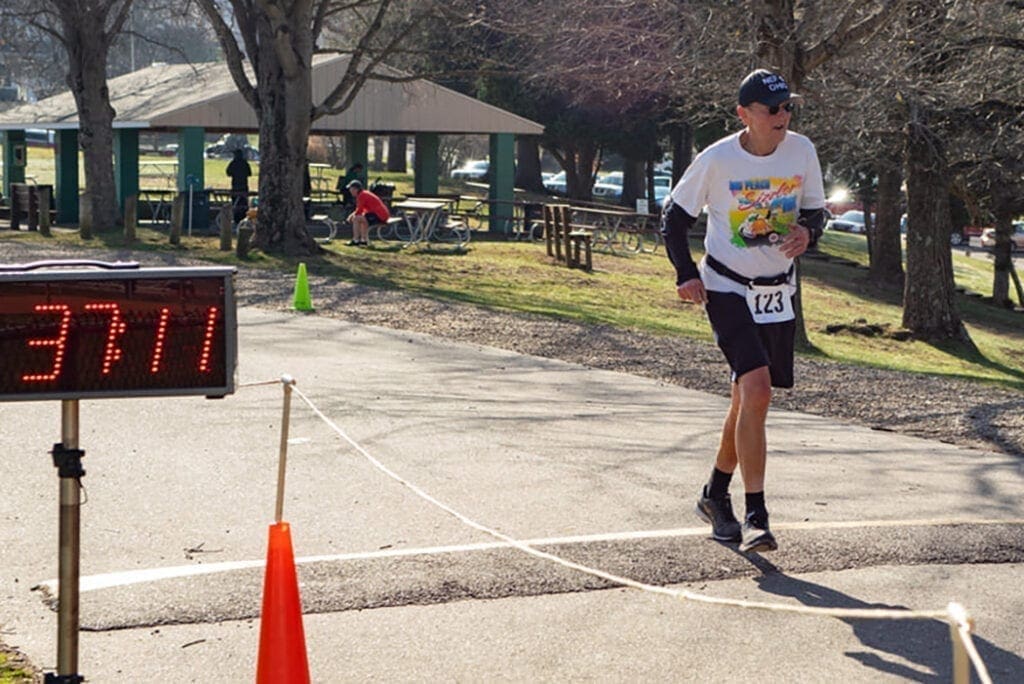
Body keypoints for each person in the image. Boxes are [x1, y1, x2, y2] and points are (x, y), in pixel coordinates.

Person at [661, 68, 825, 553]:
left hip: (777, 291)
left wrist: (807, 233)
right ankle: (757, 515)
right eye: (772, 109)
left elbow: (815, 210)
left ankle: (715, 494)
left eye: (787, 107)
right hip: (727, 288)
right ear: (744, 114)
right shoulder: (717, 159)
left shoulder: (802, 151)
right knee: (757, 391)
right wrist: (685, 273)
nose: (783, 116)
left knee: (745, 403)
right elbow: (673, 216)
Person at [345, 179, 390, 246]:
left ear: (355, 189)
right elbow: (361, 209)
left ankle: (355, 240)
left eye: (351, 189)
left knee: (356, 218)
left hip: (380, 216)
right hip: (380, 214)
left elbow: (359, 211)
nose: (350, 191)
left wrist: (351, 217)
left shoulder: (362, 195)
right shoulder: (363, 193)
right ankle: (363, 240)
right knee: (362, 218)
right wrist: (351, 215)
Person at [226, 149, 252, 223]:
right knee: (243, 203)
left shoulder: (233, 163)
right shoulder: (245, 163)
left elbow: (228, 173)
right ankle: (243, 218)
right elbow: (249, 173)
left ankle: (236, 218)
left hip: (235, 187)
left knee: (235, 204)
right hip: (244, 187)